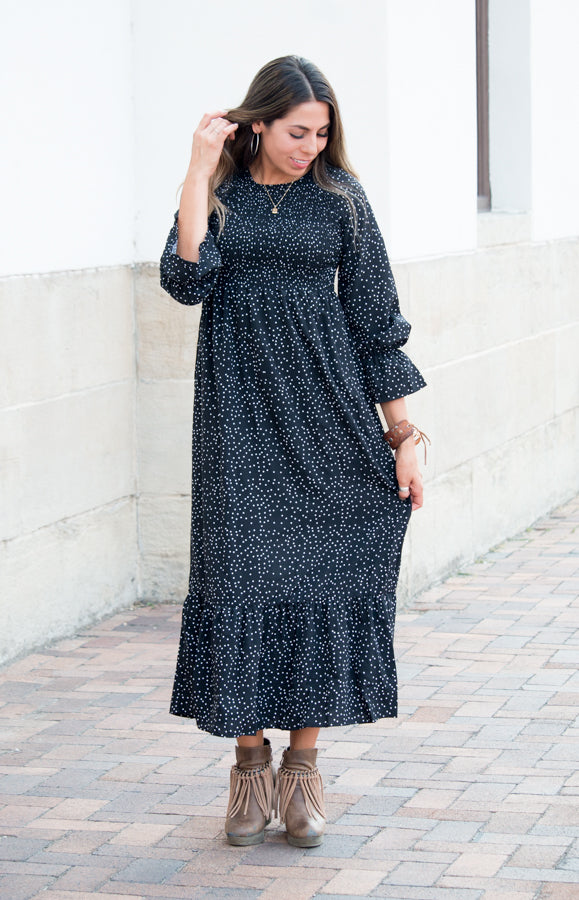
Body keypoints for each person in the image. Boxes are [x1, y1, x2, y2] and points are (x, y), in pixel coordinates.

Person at [159, 55, 427, 849]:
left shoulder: (341, 198)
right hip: (237, 420)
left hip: (329, 417)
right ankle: (249, 767)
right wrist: (198, 166)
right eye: (296, 132)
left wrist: (402, 438)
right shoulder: (218, 192)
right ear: (259, 123)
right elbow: (185, 280)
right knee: (240, 577)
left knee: (323, 577)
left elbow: (375, 321)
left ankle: (302, 769)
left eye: (320, 133)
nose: (309, 146)